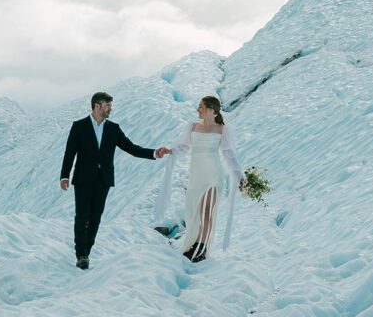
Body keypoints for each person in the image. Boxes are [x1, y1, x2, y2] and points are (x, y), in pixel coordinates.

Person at [60, 92, 166, 270]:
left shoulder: (113, 128)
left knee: (95, 218)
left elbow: (131, 148)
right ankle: (81, 255)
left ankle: (87, 251)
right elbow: (70, 152)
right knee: (82, 217)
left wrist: (154, 153)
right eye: (107, 105)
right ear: (97, 106)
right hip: (83, 179)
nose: (110, 109)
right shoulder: (79, 126)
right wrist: (64, 176)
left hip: (104, 180)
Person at [154, 96, 242, 262]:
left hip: (214, 175)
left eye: (200, 107)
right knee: (194, 212)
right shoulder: (193, 127)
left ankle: (201, 247)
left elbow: (229, 155)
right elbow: (183, 147)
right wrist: (169, 150)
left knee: (206, 212)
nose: (197, 110)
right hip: (196, 176)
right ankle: (194, 243)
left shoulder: (222, 129)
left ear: (211, 109)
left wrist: (239, 174)